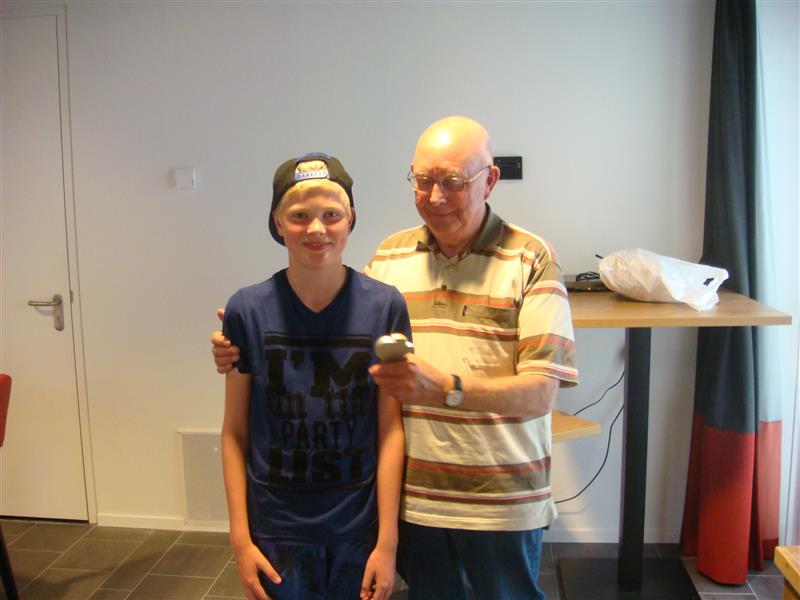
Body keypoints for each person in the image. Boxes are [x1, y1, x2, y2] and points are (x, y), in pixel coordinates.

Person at [214, 118, 578, 600]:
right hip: (415, 503)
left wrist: (446, 388)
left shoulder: (530, 259)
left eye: (452, 181)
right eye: (423, 180)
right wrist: (238, 345)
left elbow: (541, 392)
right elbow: (333, 321)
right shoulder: (390, 258)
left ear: (489, 180)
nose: (435, 196)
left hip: (497, 503)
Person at [221, 152, 410, 600]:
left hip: (357, 529)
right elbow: (234, 432)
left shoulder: (385, 306)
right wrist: (240, 539)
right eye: (300, 216)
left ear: (351, 219)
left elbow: (390, 429)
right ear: (277, 222)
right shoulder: (246, 310)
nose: (316, 229)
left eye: (331, 215)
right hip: (275, 531)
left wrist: (387, 541)